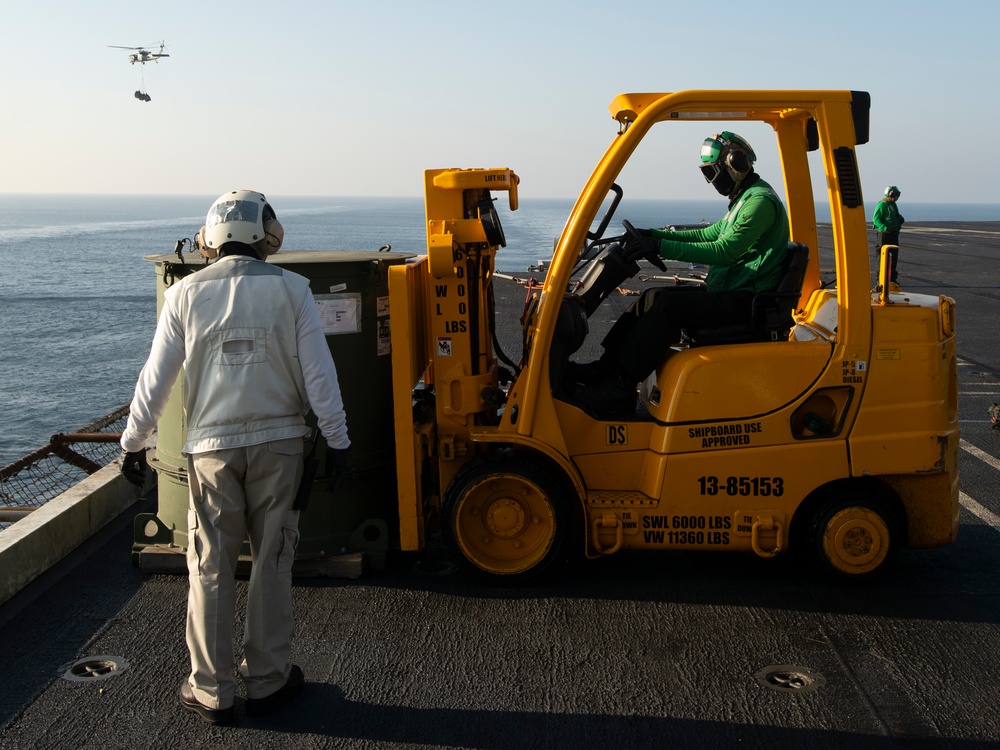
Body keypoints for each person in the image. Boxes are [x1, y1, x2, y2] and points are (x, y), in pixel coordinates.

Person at [119, 190, 352, 725]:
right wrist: (337, 440)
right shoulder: (294, 291)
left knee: (209, 565)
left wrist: (134, 443)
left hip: (210, 451)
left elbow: (155, 381)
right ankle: (268, 681)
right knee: (272, 558)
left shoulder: (184, 294)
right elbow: (320, 375)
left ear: (210, 237)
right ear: (264, 234)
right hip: (281, 445)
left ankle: (211, 690)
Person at [573, 132, 790, 412]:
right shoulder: (744, 199)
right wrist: (652, 234)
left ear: (735, 163)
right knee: (652, 296)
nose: (712, 179)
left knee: (667, 307)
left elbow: (724, 250)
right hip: (731, 293)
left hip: (747, 301)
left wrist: (659, 245)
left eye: (713, 171)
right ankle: (605, 369)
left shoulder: (759, 202)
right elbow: (710, 234)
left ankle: (620, 385)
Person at [872, 185, 904, 283]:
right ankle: (880, 280)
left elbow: (896, 216)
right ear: (891, 194)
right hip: (884, 235)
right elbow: (876, 219)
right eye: (896, 195)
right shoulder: (882, 205)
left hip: (893, 234)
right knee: (882, 258)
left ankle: (892, 280)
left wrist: (900, 219)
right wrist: (885, 227)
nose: (897, 197)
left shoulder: (893, 205)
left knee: (893, 258)